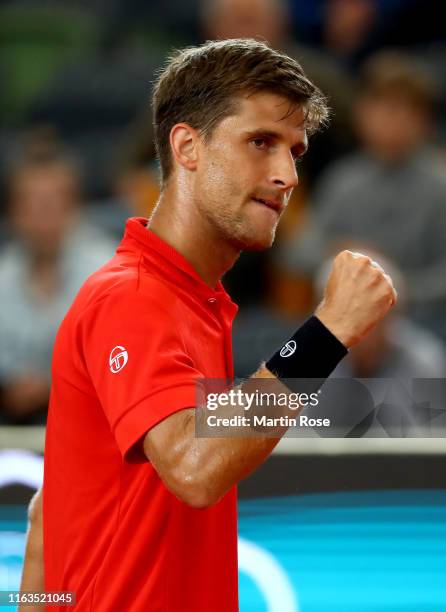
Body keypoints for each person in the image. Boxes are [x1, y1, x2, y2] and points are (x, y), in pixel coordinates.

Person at [20, 39, 396, 611]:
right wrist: (327, 332)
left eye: (295, 152)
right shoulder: (133, 296)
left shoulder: (190, 301)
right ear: (187, 147)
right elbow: (196, 468)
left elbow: (51, 509)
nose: (286, 174)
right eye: (260, 142)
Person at [0, 149, 115, 424]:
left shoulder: (110, 271)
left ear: (74, 207)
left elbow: (119, 364)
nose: (43, 216)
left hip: (95, 419)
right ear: (13, 212)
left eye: (52, 204)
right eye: (32, 205)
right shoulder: (3, 277)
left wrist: (50, 387)